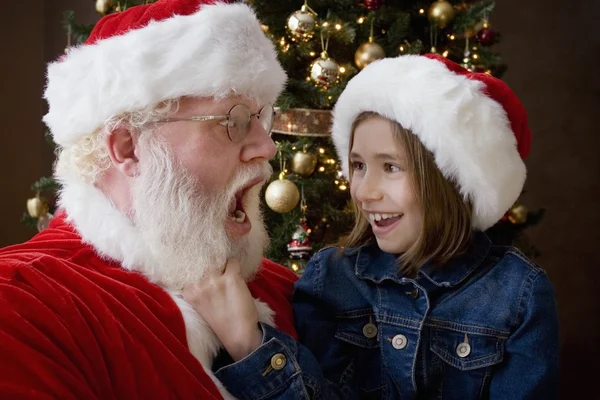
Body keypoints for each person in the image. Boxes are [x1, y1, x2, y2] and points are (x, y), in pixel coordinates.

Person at [184, 54, 559, 399]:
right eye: (359, 165)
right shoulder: (331, 278)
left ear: (449, 179)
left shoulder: (518, 294)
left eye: (391, 167)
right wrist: (250, 345)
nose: (365, 191)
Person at [0, 0, 300, 399]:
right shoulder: (24, 303)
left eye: (263, 119)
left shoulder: (289, 291)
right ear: (127, 147)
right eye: (235, 120)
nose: (266, 146)